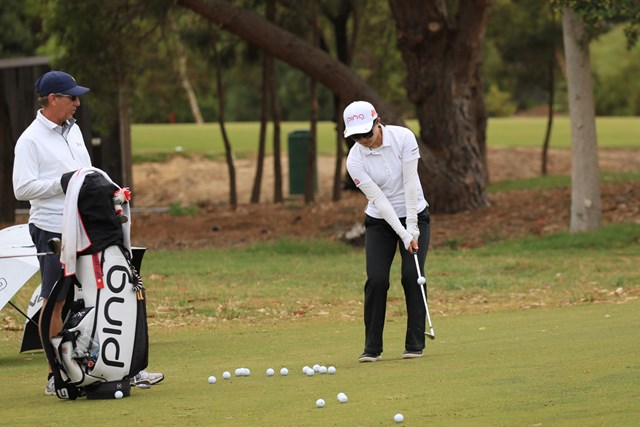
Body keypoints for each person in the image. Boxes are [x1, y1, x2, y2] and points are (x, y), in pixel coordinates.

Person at [12, 70, 163, 395]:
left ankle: (125, 367)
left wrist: (108, 192)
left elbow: (86, 173)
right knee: (56, 301)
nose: (78, 103)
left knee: (106, 292)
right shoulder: (30, 140)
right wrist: (62, 182)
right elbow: (21, 188)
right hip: (52, 228)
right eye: (72, 97)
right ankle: (58, 375)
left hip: (86, 224)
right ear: (53, 99)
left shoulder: (74, 130)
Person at [343, 100, 430, 362]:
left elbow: (410, 182)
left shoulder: (403, 137)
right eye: (356, 137)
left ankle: (415, 343)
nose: (363, 140)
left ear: (378, 122)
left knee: (411, 275)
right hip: (380, 221)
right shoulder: (354, 160)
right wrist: (403, 235)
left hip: (415, 212)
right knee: (377, 280)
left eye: (367, 133)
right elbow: (379, 200)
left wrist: (412, 227)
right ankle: (372, 347)